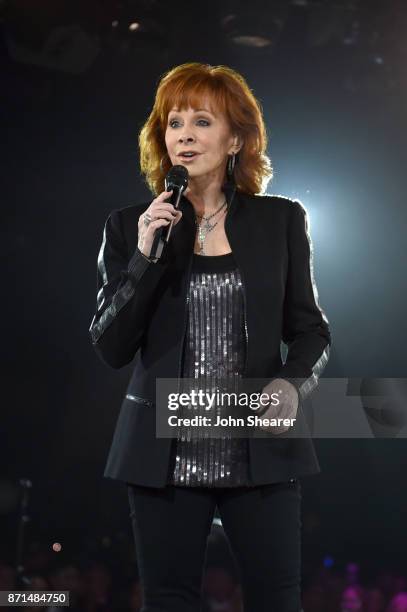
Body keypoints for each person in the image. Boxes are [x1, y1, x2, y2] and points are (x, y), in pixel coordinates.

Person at [89, 62, 331, 612]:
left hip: (260, 446)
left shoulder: (281, 221)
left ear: (236, 139)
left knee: (277, 599)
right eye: (174, 123)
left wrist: (293, 386)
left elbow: (312, 330)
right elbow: (110, 347)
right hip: (164, 453)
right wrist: (146, 258)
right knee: (168, 599)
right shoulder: (131, 226)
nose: (185, 136)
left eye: (202, 121)